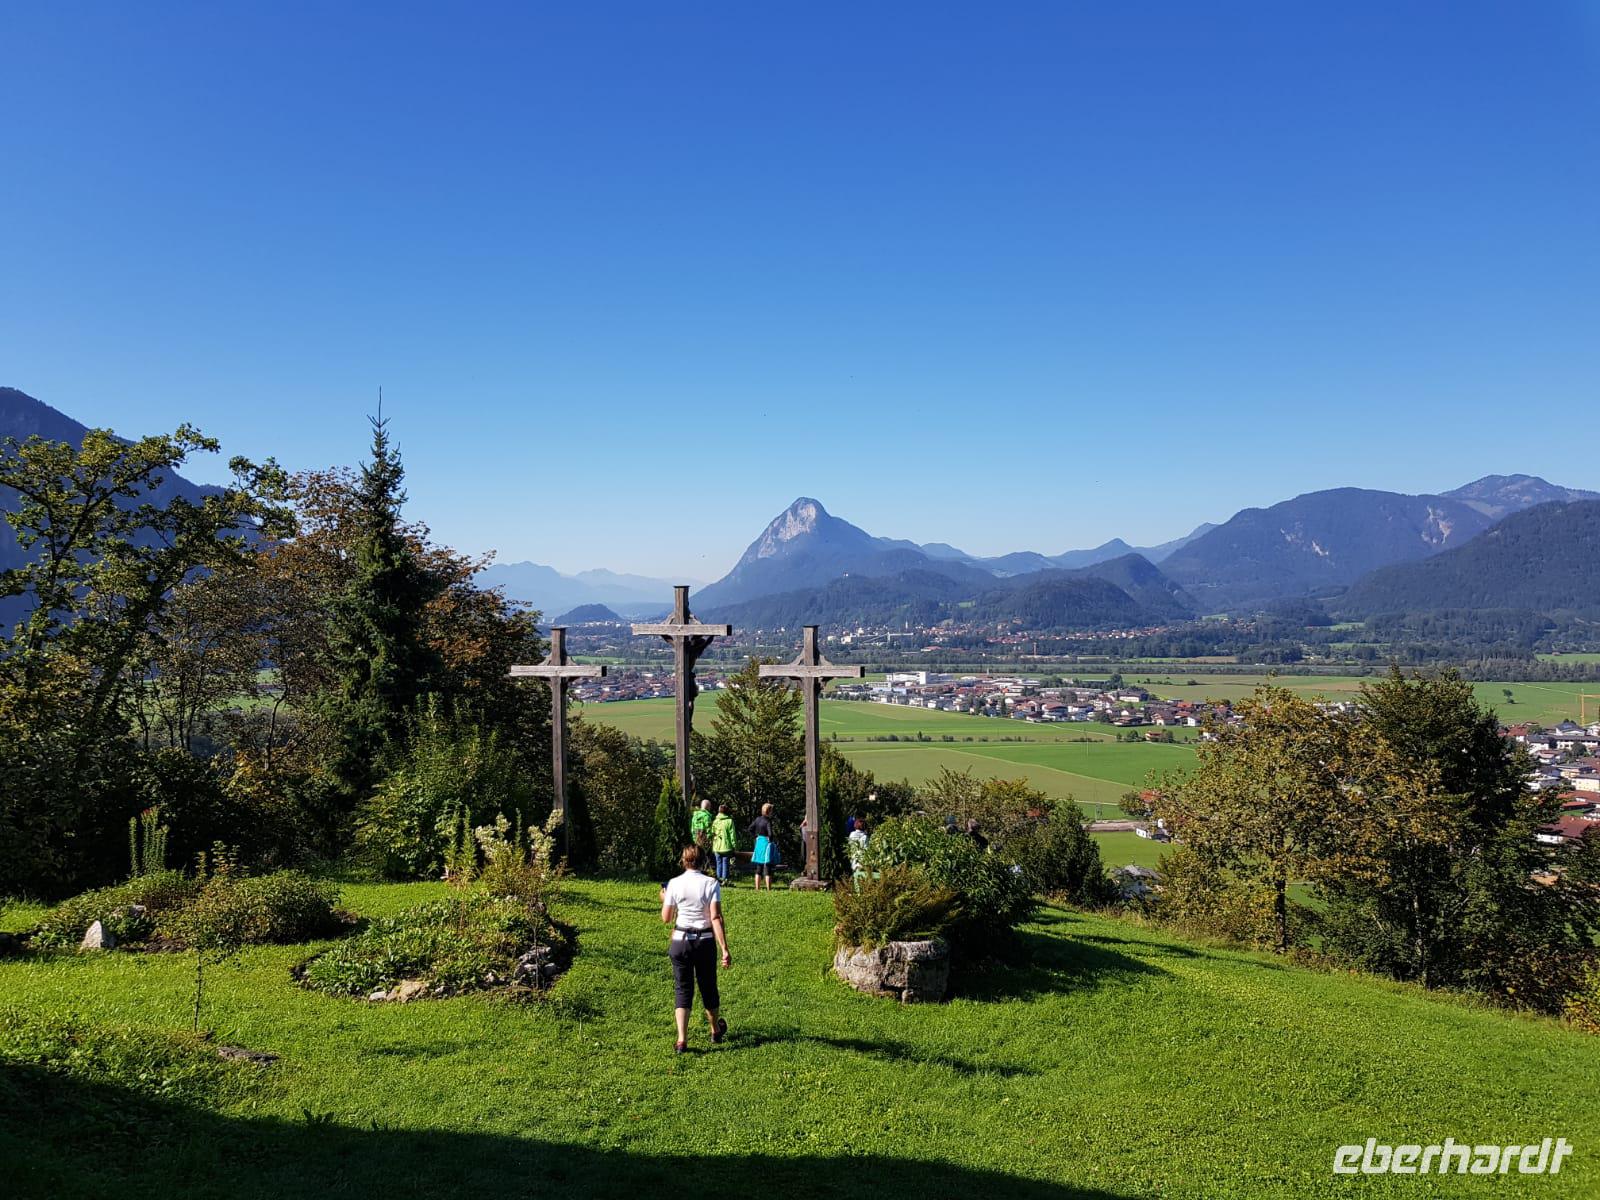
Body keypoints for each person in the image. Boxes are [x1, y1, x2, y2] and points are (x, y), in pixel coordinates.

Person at [660, 844, 731, 1054]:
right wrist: (724, 949)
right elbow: (715, 917)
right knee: (708, 987)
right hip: (705, 941)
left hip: (681, 940)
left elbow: (666, 918)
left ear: (684, 861)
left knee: (683, 989)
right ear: (703, 861)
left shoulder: (674, 883)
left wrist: (664, 898)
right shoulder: (711, 883)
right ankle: (715, 1030)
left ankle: (682, 1040)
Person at [747, 803, 776, 891]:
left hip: (758, 842)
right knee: (767, 866)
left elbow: (750, 829)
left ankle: (757, 888)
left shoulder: (757, 819)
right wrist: (770, 840)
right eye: (771, 811)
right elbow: (770, 834)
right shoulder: (768, 821)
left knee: (759, 866)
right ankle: (768, 889)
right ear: (769, 811)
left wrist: (755, 837)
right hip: (766, 844)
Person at [711, 804, 737, 885]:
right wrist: (734, 845)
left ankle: (718, 881)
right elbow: (732, 835)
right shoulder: (729, 821)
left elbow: (713, 833)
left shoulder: (715, 821)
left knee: (718, 864)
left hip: (716, 846)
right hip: (726, 847)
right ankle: (725, 881)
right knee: (725, 863)